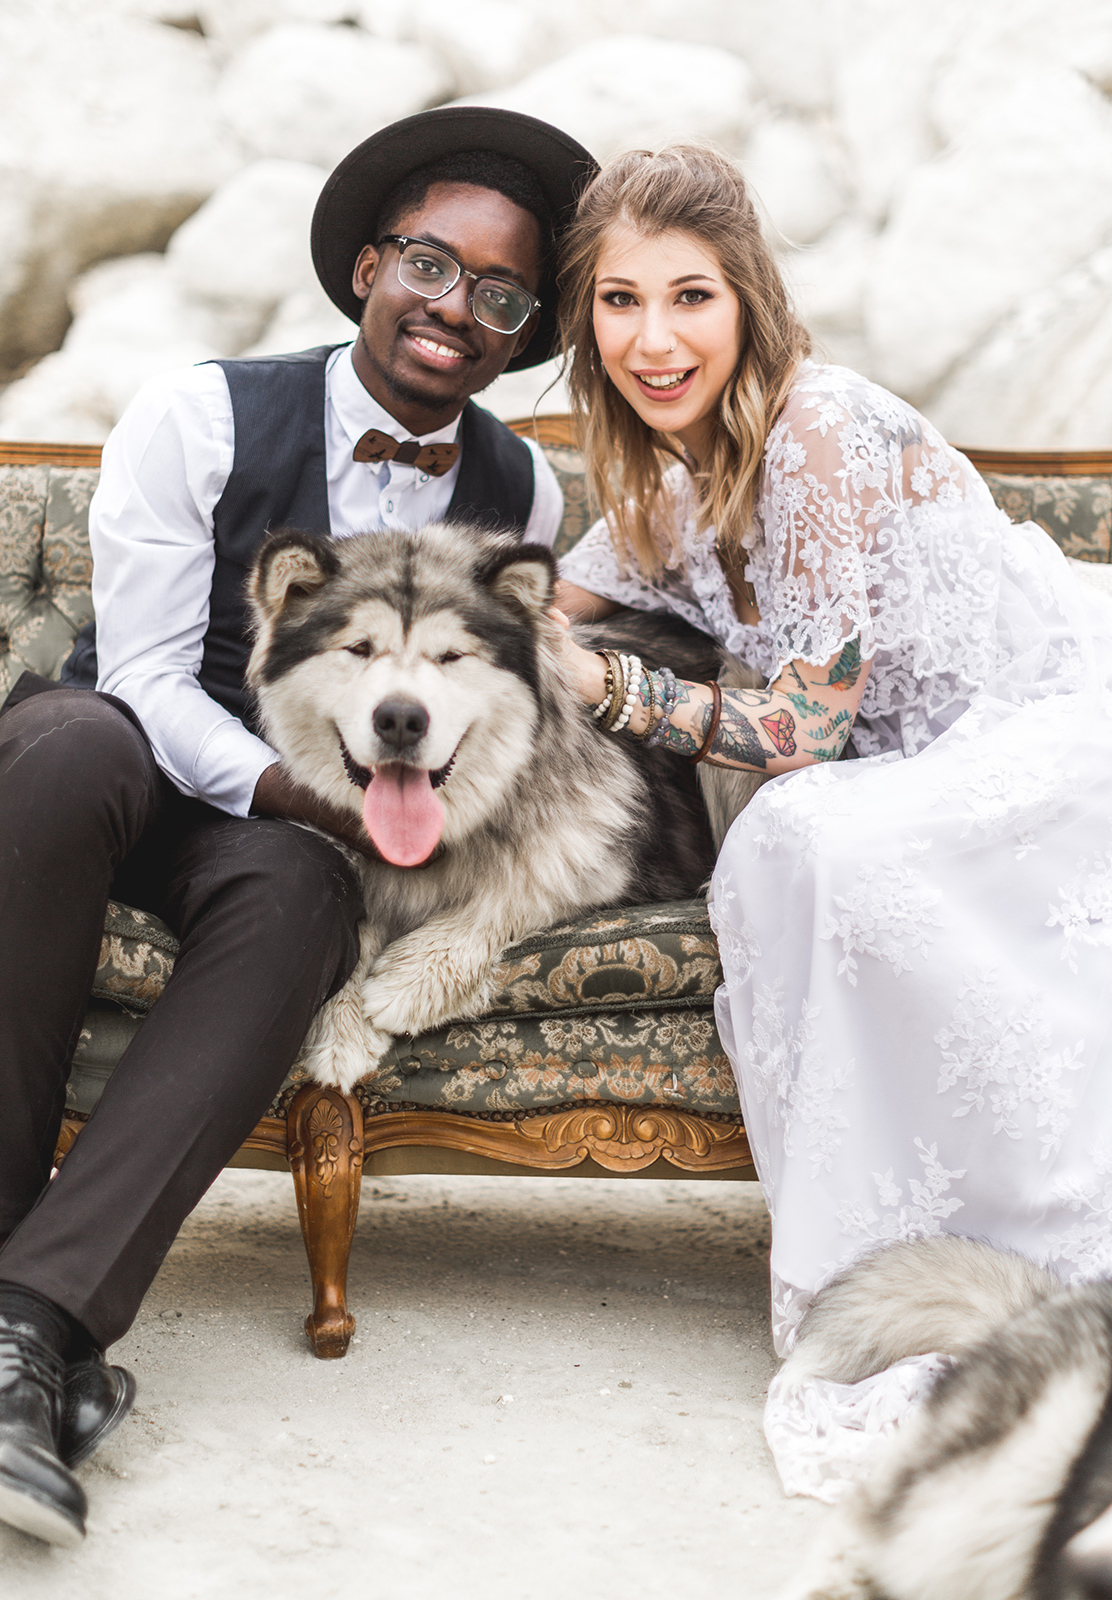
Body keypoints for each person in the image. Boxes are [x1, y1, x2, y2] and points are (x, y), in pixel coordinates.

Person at [549, 144, 1112, 1491]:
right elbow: (533, 611)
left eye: (690, 297)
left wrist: (614, 688)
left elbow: (803, 730)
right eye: (620, 301)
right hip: (935, 769)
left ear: (751, 299)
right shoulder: (659, 486)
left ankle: (1004, 1247)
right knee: (795, 842)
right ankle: (912, 1261)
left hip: (1065, 736)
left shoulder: (821, 430)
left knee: (803, 832)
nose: (654, 340)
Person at [0, 107, 596, 1546]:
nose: (457, 310)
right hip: (137, 759)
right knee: (67, 746)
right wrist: (322, 793)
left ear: (524, 334)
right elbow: (148, 677)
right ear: (369, 266)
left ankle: (30, 1333)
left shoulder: (524, 489)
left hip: (285, 826)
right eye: (432, 266)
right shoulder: (201, 414)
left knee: (305, 897)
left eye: (503, 296)